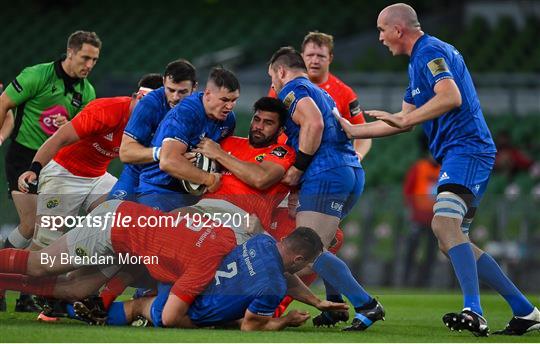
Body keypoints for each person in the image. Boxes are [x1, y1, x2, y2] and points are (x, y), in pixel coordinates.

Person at [335, 2, 539, 336]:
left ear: (398, 30)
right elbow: (402, 122)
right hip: (459, 154)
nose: (380, 38)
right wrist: (354, 131)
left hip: (468, 150)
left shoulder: (431, 51)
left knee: (444, 224)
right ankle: (525, 310)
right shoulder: (417, 64)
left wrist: (404, 118)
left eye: (381, 30)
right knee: (452, 239)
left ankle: (474, 310)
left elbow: (450, 97)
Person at [268, 47, 384, 331]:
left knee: (310, 250)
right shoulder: (322, 92)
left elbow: (314, 123)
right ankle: (334, 304)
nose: (273, 84)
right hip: (349, 171)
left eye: (272, 77)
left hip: (325, 173)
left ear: (281, 71)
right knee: (325, 243)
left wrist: (299, 167)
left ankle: (366, 304)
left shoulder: (292, 89)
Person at [0, 30, 101, 312]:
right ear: (70, 52)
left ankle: (25, 296)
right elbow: (4, 103)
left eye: (94, 59)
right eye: (85, 57)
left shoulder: (88, 91)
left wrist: (66, 125)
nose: (90, 64)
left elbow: (81, 133)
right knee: (31, 226)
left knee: (45, 231)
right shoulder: (37, 75)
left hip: (56, 166)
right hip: (23, 157)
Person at [82, 228, 346, 330]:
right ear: (299, 260)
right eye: (306, 264)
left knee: (140, 297)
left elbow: (284, 273)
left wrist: (316, 302)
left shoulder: (263, 241)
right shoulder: (272, 287)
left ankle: (68, 301)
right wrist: (285, 320)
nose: (305, 269)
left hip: (183, 280)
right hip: (189, 309)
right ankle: (70, 308)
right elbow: (250, 327)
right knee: (138, 308)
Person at [17, 74, 163, 251]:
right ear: (140, 97)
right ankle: (11, 272)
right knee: (45, 243)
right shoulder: (107, 109)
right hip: (63, 173)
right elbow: (60, 138)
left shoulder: (155, 125)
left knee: (123, 223)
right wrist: (35, 169)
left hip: (98, 178)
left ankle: (74, 275)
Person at [136, 67, 239, 211]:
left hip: (194, 193)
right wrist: (209, 179)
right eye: (224, 100)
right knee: (165, 232)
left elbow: (221, 157)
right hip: (159, 190)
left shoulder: (228, 120)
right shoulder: (185, 113)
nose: (229, 106)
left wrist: (215, 156)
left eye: (234, 100)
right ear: (208, 94)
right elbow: (168, 161)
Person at [269, 31, 372, 161]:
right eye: (310, 55)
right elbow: (269, 121)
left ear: (330, 58)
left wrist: (357, 155)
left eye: (321, 56)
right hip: (284, 157)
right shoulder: (282, 85)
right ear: (301, 57)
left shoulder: (344, 92)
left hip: (324, 162)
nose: (315, 60)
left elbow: (362, 131)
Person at [109, 59, 198, 201]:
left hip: (174, 182)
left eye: (182, 92)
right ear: (163, 83)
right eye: (171, 90)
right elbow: (126, 153)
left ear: (194, 88)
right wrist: (165, 153)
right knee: (110, 216)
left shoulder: (204, 109)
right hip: (136, 174)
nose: (175, 97)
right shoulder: (149, 104)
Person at [401, 136, 440, 287]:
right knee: (412, 250)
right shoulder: (419, 167)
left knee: (431, 252)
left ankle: (425, 282)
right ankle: (406, 280)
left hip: (436, 219)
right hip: (418, 218)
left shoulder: (444, 169)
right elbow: (408, 191)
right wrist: (410, 212)